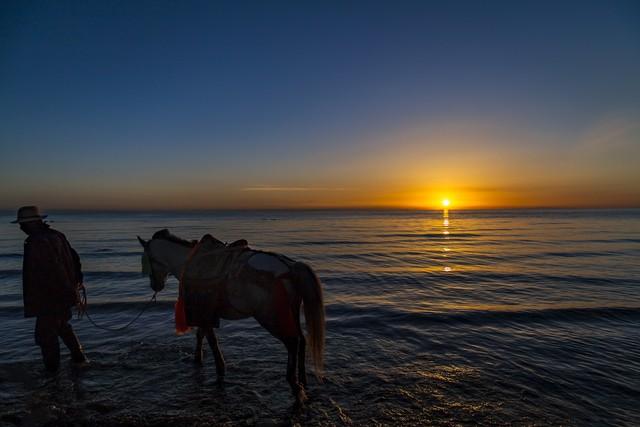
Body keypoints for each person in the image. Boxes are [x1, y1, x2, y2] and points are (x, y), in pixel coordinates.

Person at [12, 206, 88, 371]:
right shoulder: (57, 235)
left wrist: (56, 296)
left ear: (33, 223)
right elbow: (75, 259)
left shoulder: (37, 242)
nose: (21, 227)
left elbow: (50, 271)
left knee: (46, 336)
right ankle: (79, 359)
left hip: (50, 298)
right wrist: (76, 283)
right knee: (62, 328)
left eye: (23, 224)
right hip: (64, 294)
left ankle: (52, 375)